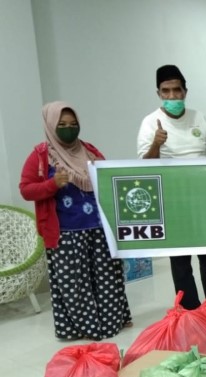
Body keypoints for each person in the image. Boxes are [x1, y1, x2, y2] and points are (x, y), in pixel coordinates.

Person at [19, 101, 132, 340]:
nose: (68, 129)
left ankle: (112, 323)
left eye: (73, 124)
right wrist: (52, 184)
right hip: (65, 233)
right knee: (74, 284)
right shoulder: (41, 156)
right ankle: (84, 328)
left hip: (99, 229)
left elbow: (108, 178)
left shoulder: (89, 150)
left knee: (108, 279)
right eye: (61, 124)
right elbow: (26, 190)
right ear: (50, 125)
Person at [137, 64, 206, 309]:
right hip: (173, 204)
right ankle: (190, 311)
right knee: (180, 262)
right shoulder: (150, 123)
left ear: (185, 91)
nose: (172, 96)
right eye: (166, 91)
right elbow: (144, 167)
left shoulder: (200, 118)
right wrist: (156, 145)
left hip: (203, 201)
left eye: (177, 90)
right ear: (158, 93)